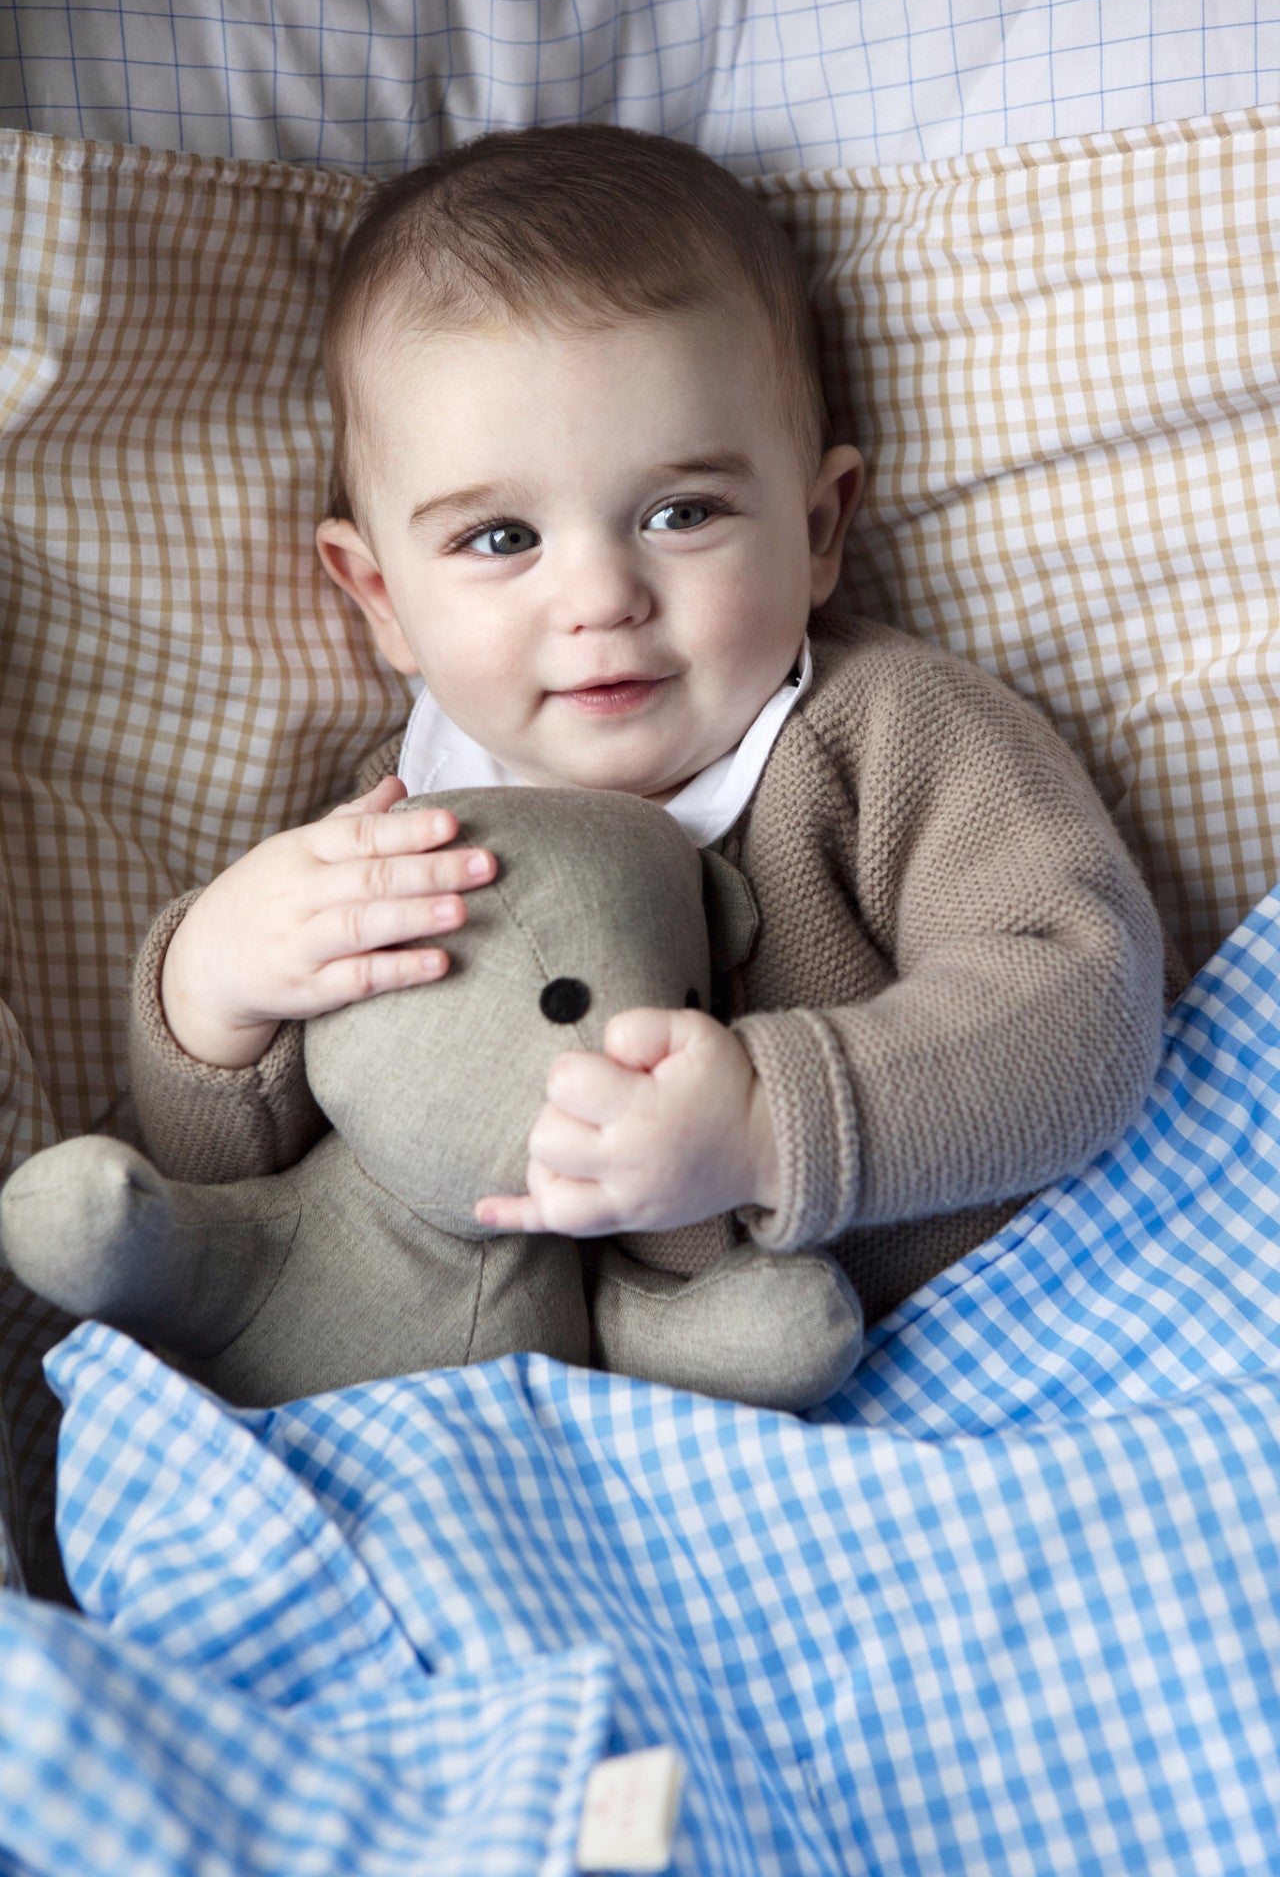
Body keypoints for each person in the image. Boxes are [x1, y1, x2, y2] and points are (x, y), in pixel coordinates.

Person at [133, 122, 1165, 1339]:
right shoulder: (399, 833)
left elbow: (1083, 1005)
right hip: (580, 1424)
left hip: (969, 1338)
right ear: (378, 599)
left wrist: (769, 1126)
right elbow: (240, 1194)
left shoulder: (886, 737)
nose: (599, 597)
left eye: (681, 512)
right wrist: (212, 995)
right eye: (499, 538)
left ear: (819, 524)